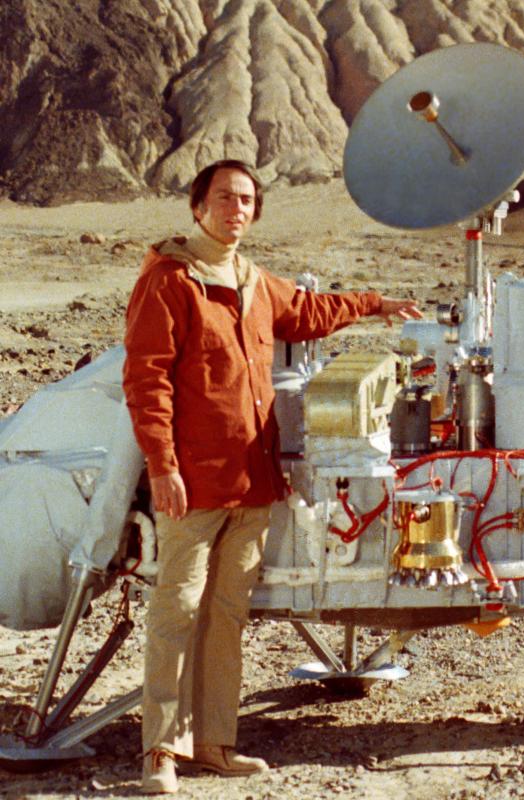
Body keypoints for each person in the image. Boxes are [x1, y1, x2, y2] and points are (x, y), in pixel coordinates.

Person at [122, 159, 421, 794]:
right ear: (197, 207)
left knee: (227, 615)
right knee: (177, 612)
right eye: (224, 198)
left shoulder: (254, 282)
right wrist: (163, 467)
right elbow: (147, 382)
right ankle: (161, 751)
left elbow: (310, 310)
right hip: (193, 483)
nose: (237, 209)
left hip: (253, 482)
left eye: (247, 200)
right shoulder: (170, 281)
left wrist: (375, 305)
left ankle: (215, 744)